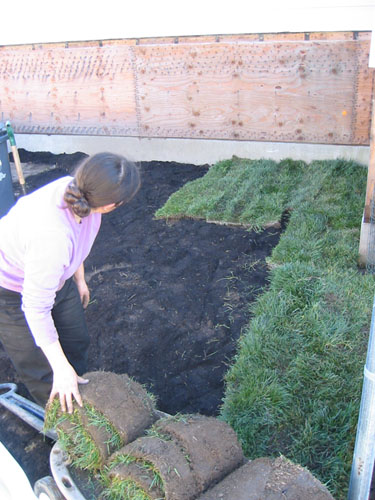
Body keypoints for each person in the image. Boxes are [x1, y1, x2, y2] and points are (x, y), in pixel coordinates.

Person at [0, 152, 140, 413]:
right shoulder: (51, 237)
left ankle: (77, 388)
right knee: (40, 364)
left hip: (53, 275)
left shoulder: (82, 195)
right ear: (112, 206)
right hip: (8, 286)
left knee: (75, 340)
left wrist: (79, 278)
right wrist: (60, 368)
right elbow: (34, 307)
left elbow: (78, 241)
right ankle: (64, 421)